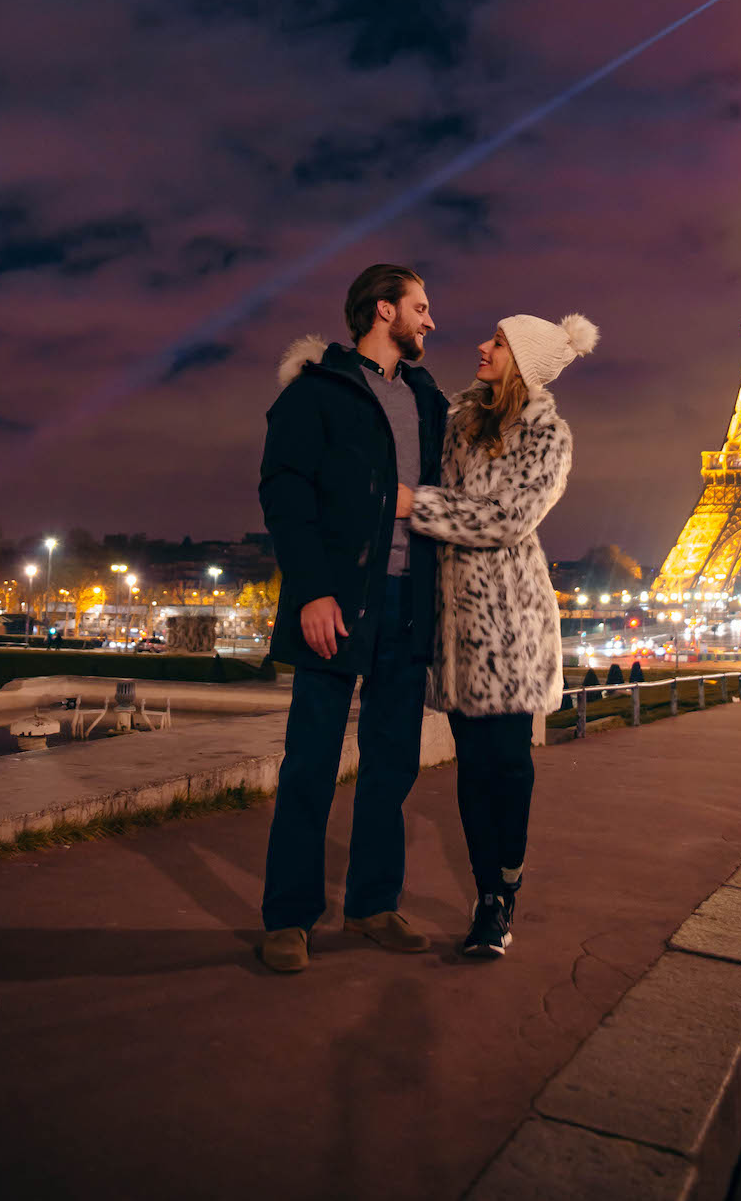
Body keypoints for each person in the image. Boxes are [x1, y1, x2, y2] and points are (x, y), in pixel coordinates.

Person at [255, 263, 449, 974]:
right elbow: (284, 494)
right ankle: (288, 918)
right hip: (338, 601)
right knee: (310, 762)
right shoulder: (318, 393)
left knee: (392, 765)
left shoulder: (429, 399)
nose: (431, 321)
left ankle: (372, 903)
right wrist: (311, 591)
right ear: (381, 310)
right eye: (420, 307)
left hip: (408, 604)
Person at [399, 310, 598, 957]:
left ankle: (502, 890)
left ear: (527, 361)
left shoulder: (549, 437)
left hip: (510, 626)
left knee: (507, 767)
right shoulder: (457, 423)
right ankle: (489, 892)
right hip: (455, 625)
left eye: (499, 342)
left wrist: (416, 504)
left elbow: (506, 520)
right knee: (472, 769)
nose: (482, 347)